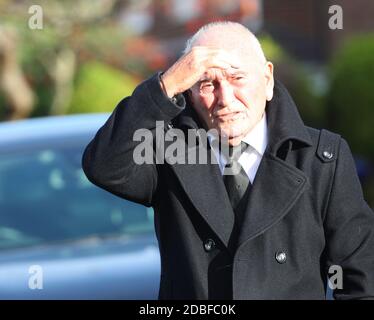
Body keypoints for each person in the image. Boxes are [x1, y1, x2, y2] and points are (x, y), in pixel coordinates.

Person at [82, 21, 374, 299]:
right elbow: (105, 166)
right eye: (207, 84)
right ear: (190, 93)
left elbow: (361, 277)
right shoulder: (169, 152)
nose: (225, 98)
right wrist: (165, 85)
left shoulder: (321, 159)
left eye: (237, 78)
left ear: (267, 79)